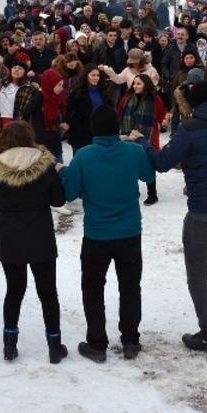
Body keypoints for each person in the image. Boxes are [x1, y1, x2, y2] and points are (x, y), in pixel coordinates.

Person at [141, 82, 207, 352]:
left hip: (205, 209)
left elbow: (163, 162)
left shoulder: (190, 127)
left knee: (197, 272)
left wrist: (144, 145)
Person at [60, 105, 155, 363]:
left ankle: (97, 343)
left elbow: (69, 194)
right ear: (117, 127)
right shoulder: (133, 152)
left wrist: (63, 172)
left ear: (93, 129)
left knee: (92, 288)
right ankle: (131, 341)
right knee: (130, 287)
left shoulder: (84, 156)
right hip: (129, 231)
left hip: (97, 234)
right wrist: (143, 144)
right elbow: (148, 174)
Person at [0, 122, 69, 363]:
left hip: (11, 239)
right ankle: (54, 345)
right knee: (48, 293)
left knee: (14, 291)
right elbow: (58, 199)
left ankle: (9, 345)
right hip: (41, 237)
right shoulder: (45, 165)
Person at [117, 73, 165, 205]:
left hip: (148, 137)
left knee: (149, 164)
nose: (135, 86)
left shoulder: (155, 99)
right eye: (134, 83)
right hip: (128, 137)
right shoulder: (127, 98)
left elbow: (161, 114)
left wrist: (162, 121)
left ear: (146, 85)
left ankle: (152, 194)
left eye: (139, 83)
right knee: (129, 165)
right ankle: (131, 191)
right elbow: (119, 112)